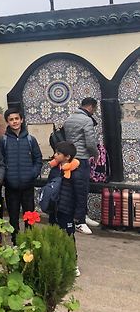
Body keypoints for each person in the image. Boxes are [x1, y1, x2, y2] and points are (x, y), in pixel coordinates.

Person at [0, 108, 43, 245]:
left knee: (29, 216)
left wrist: (32, 174)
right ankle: (16, 241)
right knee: (13, 216)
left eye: (16, 118)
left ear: (21, 120)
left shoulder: (30, 140)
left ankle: (29, 240)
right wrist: (6, 178)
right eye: (11, 119)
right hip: (11, 186)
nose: (14, 121)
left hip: (27, 185)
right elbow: (0, 161)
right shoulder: (3, 140)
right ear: (7, 122)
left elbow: (38, 159)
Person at [63, 97, 99, 235]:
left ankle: (82, 215)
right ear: (91, 107)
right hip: (82, 159)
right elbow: (90, 142)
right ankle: (80, 222)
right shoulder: (87, 120)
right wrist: (95, 154)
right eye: (94, 109)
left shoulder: (69, 118)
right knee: (82, 189)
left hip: (70, 159)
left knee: (74, 189)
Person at [47, 141, 81, 276]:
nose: (55, 155)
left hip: (67, 209)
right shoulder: (55, 170)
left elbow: (80, 192)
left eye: (58, 153)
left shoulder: (75, 172)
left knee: (68, 235)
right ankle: (56, 260)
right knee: (54, 233)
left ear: (67, 157)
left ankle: (73, 263)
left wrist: (79, 212)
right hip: (54, 208)